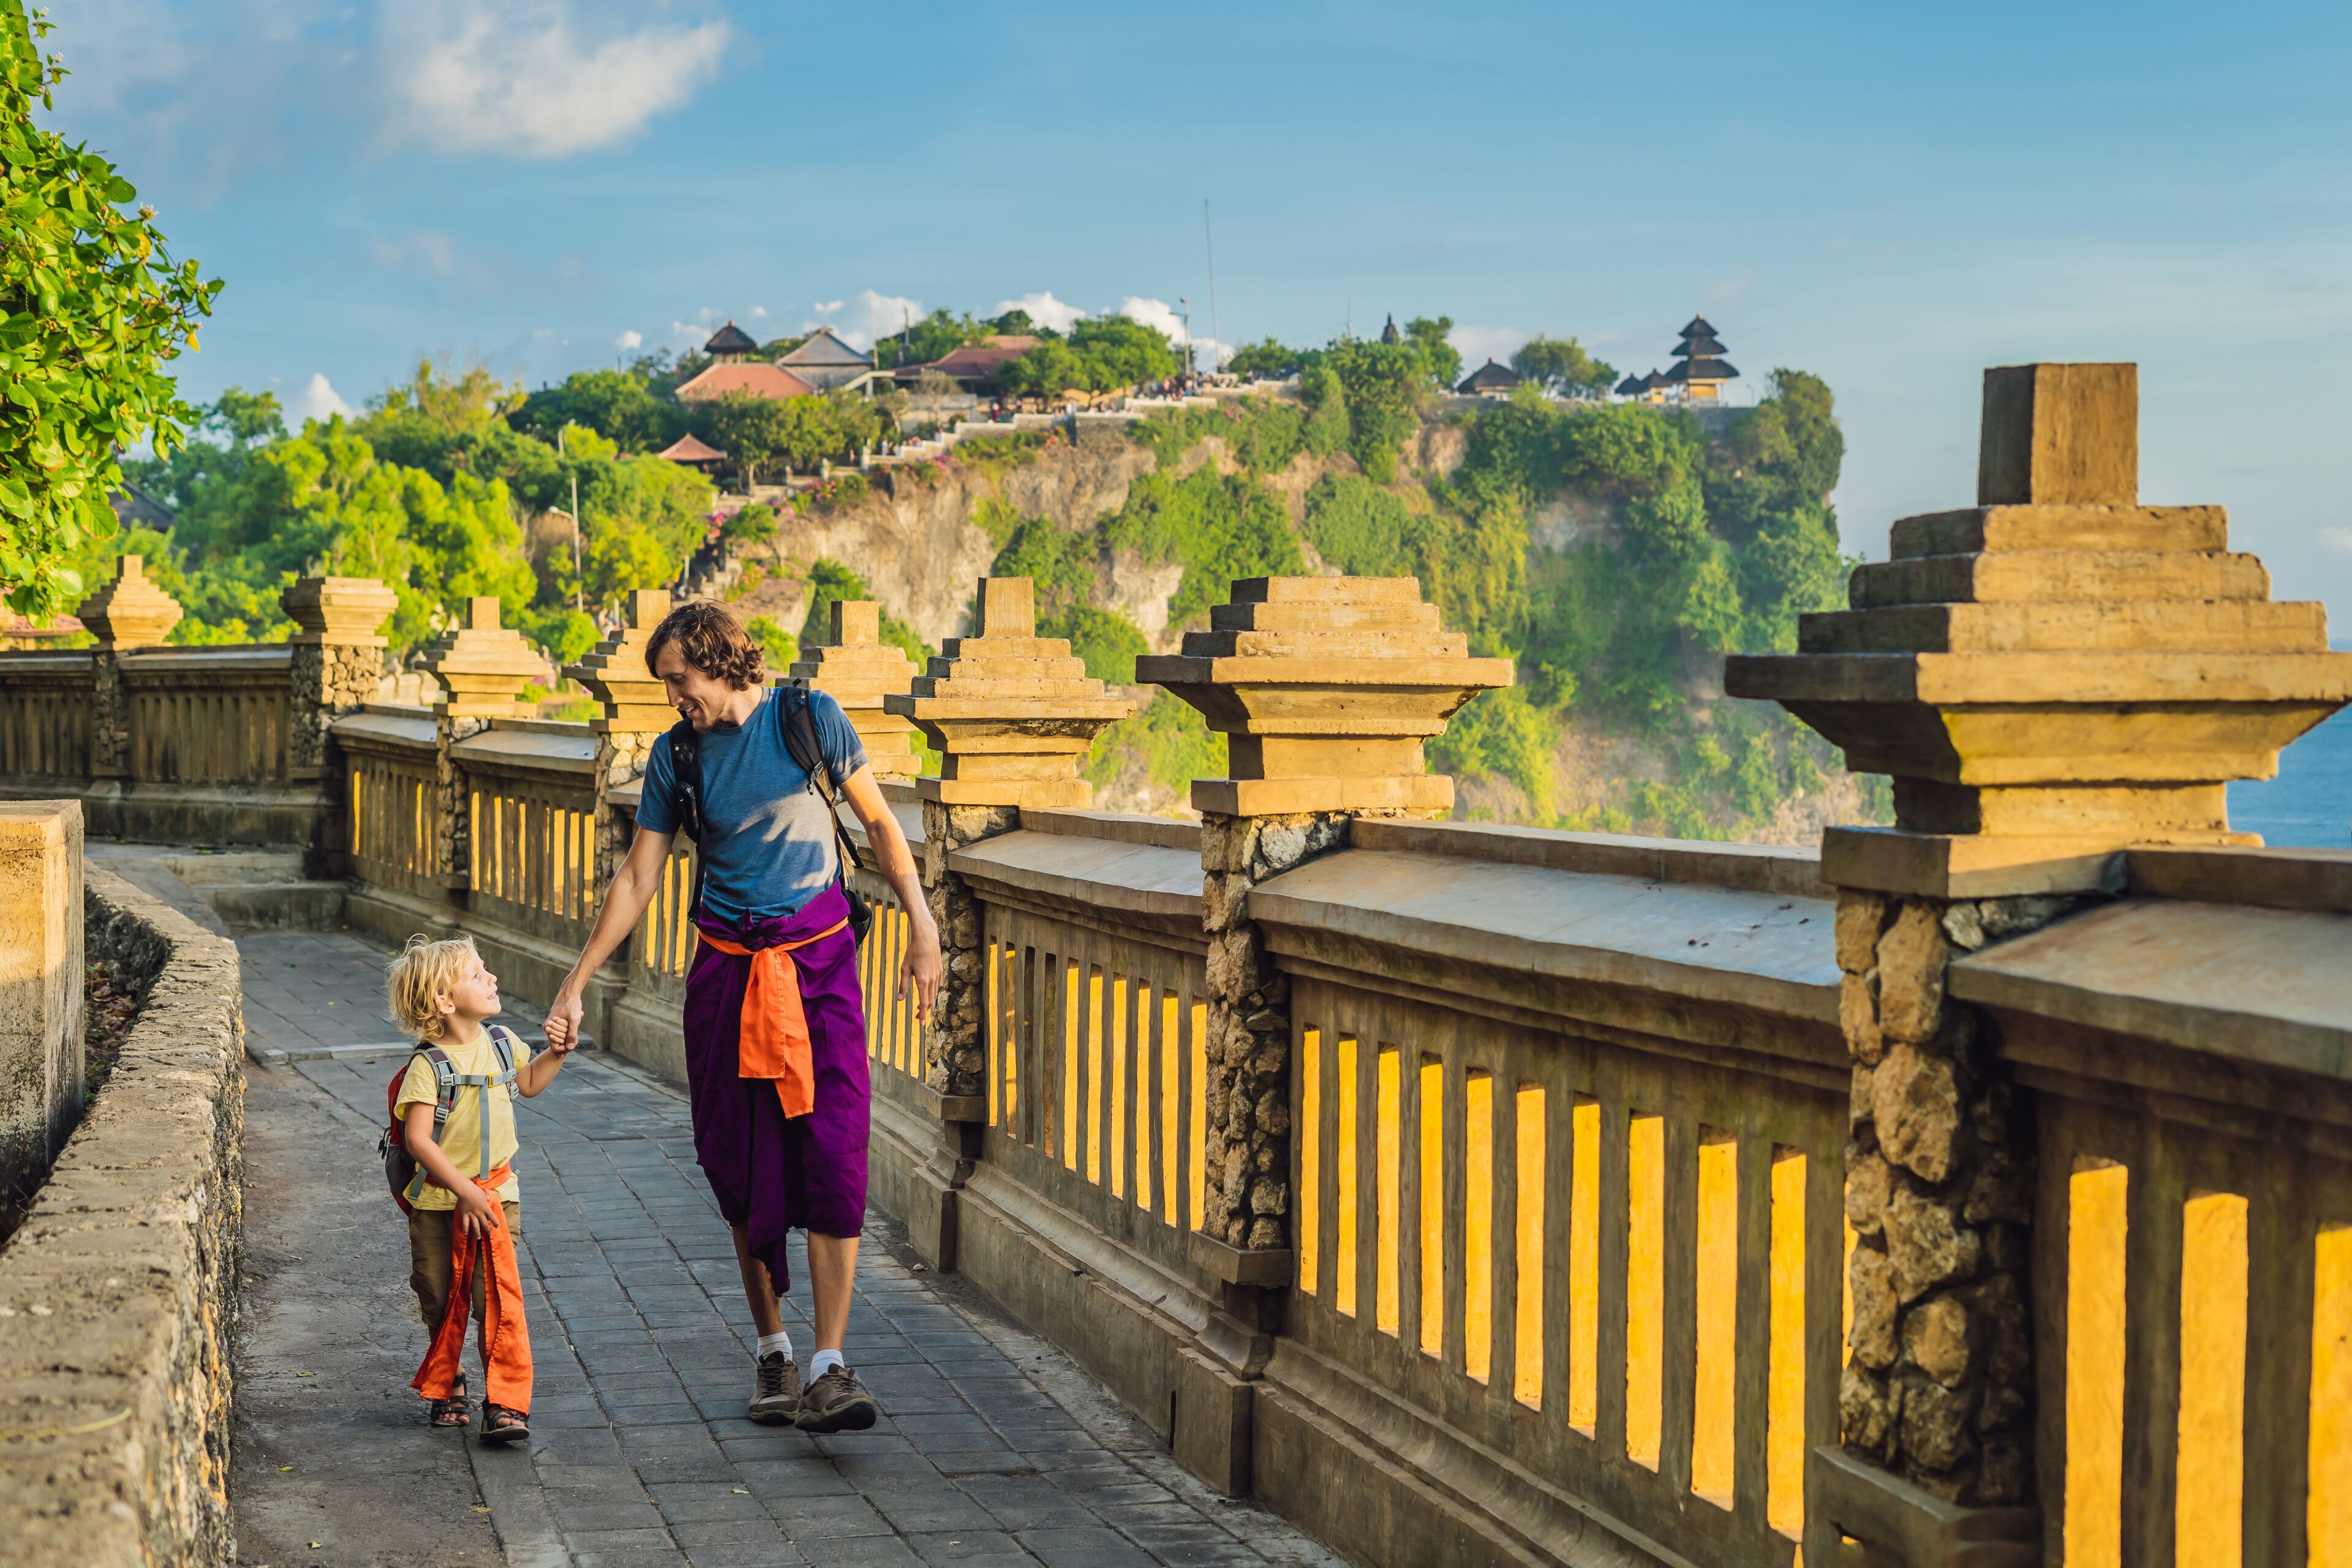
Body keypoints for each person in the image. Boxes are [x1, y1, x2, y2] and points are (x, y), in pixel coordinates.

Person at [541, 600, 942, 1434]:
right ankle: (774, 1353)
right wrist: (576, 982)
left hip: (819, 964)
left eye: (677, 680)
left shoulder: (808, 718)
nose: (672, 697)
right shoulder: (676, 756)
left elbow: (878, 823)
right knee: (742, 1163)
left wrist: (922, 923)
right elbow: (637, 879)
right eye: (663, 686)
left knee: (835, 1153)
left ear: (716, 658)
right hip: (727, 971)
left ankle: (831, 1367)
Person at [388, 935, 574, 1442]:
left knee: (496, 1299)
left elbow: (531, 1082)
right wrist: (462, 1192)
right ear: (445, 1002)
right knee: (439, 1295)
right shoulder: (428, 1068)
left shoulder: (500, 1042)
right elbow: (418, 1140)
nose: (491, 978)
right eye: (477, 974)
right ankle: (449, 1380)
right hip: (437, 1203)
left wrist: (557, 1051)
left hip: (495, 1196)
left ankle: (505, 1401)